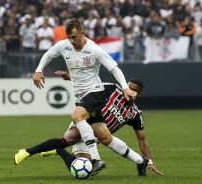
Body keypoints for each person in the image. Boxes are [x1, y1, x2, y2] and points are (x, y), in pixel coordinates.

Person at [14, 18, 138, 174]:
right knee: (94, 138)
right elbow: (48, 54)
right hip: (80, 98)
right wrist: (39, 70)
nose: (71, 41)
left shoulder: (94, 49)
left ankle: (96, 158)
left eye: (74, 37)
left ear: (82, 33)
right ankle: (141, 161)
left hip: (95, 92)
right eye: (69, 37)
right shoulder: (63, 46)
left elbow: (115, 69)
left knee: (77, 116)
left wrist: (125, 88)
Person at [41, 74, 164, 176]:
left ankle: (60, 150)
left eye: (134, 90)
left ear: (139, 94)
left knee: (86, 171)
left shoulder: (134, 114)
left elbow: (142, 140)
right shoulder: (112, 89)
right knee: (69, 143)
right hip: (85, 124)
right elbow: (92, 87)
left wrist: (150, 162)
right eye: (127, 87)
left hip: (98, 137)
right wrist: (71, 77)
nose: (129, 91)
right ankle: (60, 149)